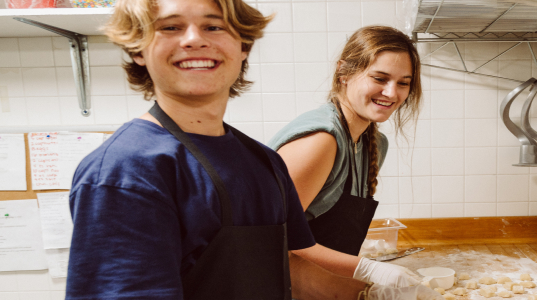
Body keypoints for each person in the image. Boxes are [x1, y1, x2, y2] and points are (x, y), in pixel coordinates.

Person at [66, 0, 441, 299]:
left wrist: (372, 294)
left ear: (243, 47)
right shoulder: (125, 171)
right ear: (138, 50)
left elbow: (293, 274)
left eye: (214, 26)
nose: (194, 39)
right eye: (170, 27)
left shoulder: (262, 164)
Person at [268, 25, 422, 276]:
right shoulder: (321, 141)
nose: (392, 93)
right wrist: (368, 271)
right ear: (344, 73)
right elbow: (275, 238)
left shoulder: (373, 143)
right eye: (379, 78)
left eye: (403, 83)